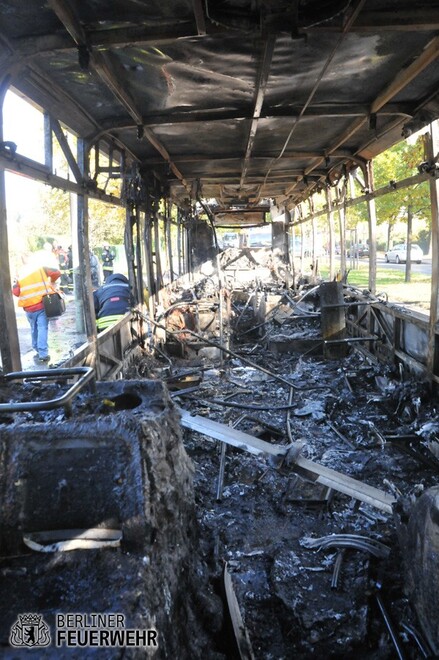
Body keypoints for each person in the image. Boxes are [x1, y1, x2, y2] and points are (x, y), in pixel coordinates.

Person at [12, 264, 61, 363]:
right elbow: (56, 273)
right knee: (42, 328)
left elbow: (16, 292)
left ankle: (37, 348)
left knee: (34, 328)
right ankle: (43, 354)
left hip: (28, 307)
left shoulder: (20, 273)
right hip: (41, 305)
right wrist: (51, 281)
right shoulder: (41, 269)